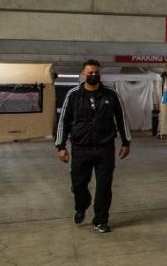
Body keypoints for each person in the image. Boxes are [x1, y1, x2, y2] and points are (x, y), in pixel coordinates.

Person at [55, 60, 132, 233]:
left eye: (96, 72)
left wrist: (126, 142)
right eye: (90, 73)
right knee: (78, 185)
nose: (93, 75)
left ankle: (100, 220)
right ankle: (82, 205)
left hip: (105, 148)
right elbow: (63, 122)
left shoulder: (111, 94)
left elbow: (121, 118)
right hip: (81, 148)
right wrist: (60, 146)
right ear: (83, 74)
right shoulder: (73, 95)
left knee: (104, 186)